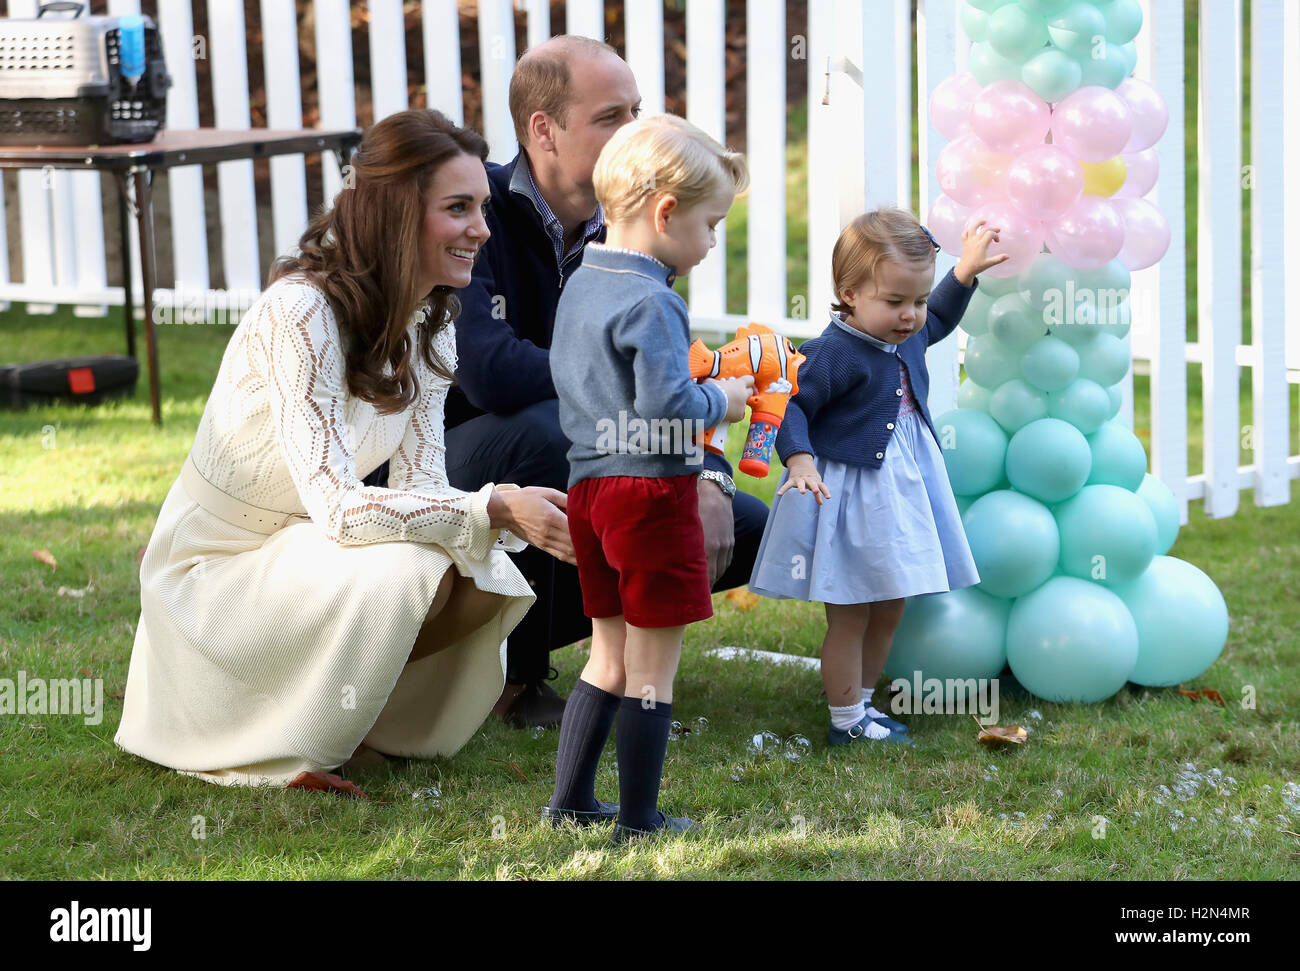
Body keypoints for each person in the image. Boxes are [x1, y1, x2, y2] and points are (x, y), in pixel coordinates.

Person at [114, 109, 573, 787]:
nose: (482, 228)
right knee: (411, 567)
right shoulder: (301, 312)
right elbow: (338, 511)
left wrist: (489, 515)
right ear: (393, 214)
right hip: (214, 569)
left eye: (481, 206)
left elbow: (424, 482)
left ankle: (360, 722)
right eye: (458, 208)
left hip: (298, 552)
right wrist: (493, 506)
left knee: (478, 570)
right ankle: (276, 735)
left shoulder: (432, 323)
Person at [379, 35, 769, 729]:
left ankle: (567, 654)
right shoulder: (475, 209)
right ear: (543, 130)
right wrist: (609, 389)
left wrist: (709, 472)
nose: (638, 130)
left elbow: (666, 373)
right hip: (443, 469)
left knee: (742, 527)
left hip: (571, 443)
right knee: (555, 431)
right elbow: (491, 374)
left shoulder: (637, 226)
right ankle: (519, 679)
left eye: (639, 110)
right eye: (613, 115)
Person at [544, 114, 752, 840]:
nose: (711, 240)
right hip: (650, 494)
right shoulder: (655, 299)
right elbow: (669, 405)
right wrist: (722, 399)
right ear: (666, 213)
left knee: (606, 653)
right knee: (653, 669)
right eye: (710, 224)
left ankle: (570, 800)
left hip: (589, 490)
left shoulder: (583, 280)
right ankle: (640, 818)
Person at [748, 209, 1006, 748]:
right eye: (895, 302)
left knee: (891, 602)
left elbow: (937, 319)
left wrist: (964, 275)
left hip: (903, 487)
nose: (910, 315)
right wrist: (798, 458)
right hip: (849, 494)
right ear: (849, 292)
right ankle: (845, 720)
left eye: (915, 298)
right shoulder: (834, 353)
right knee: (851, 609)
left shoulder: (907, 328)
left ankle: (862, 705)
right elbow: (787, 402)